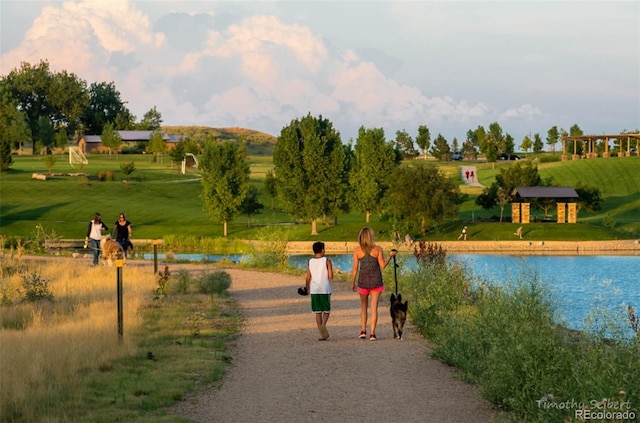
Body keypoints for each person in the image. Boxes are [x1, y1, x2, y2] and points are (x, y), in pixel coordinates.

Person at [351, 226, 397, 341]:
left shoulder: (357, 250)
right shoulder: (378, 249)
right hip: (376, 281)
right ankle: (372, 333)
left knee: (363, 307)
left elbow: (355, 268)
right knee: (374, 308)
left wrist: (353, 281)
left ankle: (363, 330)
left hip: (362, 281)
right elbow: (382, 265)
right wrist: (390, 257)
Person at [305, 241, 333, 341]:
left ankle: (321, 334)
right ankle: (323, 325)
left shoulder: (310, 261)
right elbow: (330, 276)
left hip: (314, 289)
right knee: (326, 311)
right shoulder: (327, 261)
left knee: (317, 312)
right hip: (325, 288)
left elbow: (308, 277)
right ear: (322, 250)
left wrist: (307, 287)